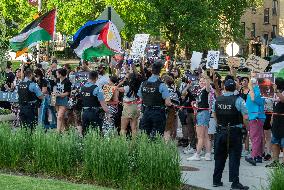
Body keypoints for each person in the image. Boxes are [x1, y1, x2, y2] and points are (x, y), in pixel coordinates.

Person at [212, 79, 249, 190]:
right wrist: (245, 128)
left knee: (219, 156)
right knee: (234, 157)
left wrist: (219, 123)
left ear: (225, 88)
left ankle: (216, 180)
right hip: (234, 132)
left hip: (220, 131)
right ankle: (234, 183)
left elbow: (214, 113)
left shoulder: (217, 100)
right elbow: (245, 117)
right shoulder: (239, 100)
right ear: (235, 89)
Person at [138, 62, 172, 138]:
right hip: (158, 112)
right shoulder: (162, 85)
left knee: (144, 135)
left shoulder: (143, 83)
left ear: (151, 71)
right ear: (159, 72)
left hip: (146, 111)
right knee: (157, 136)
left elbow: (141, 97)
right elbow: (168, 102)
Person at [187, 75, 212, 161]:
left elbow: (208, 85)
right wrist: (194, 103)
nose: (201, 82)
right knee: (205, 135)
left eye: (203, 81)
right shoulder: (200, 91)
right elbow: (199, 102)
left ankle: (197, 154)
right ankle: (208, 154)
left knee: (200, 136)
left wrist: (207, 77)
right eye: (200, 81)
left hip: (203, 113)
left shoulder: (206, 89)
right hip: (201, 112)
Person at [245, 74, 266, 166]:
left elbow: (254, 99)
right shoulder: (255, 90)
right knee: (258, 137)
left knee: (255, 137)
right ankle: (258, 156)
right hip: (254, 116)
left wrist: (251, 87)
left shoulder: (258, 90)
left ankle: (253, 156)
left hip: (256, 117)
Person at [80, 71, 109, 136]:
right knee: (98, 134)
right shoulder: (97, 89)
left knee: (85, 133)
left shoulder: (82, 88)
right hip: (95, 113)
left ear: (88, 77)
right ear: (96, 78)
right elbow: (103, 104)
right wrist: (108, 113)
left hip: (84, 113)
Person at [266, 78, 284, 167]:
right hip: (276, 120)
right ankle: (275, 161)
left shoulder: (281, 92)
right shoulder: (274, 93)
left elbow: (283, 99)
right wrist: (272, 118)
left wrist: (276, 90)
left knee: (283, 142)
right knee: (274, 141)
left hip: (283, 120)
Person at [118, 73, 142, 137]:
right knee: (134, 128)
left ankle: (123, 144)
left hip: (127, 107)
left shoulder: (127, 88)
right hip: (134, 106)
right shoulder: (137, 87)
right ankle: (134, 145)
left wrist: (122, 81)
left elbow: (116, 88)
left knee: (123, 128)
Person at [54, 68, 72, 132]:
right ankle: (64, 130)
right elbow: (55, 89)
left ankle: (58, 132)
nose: (56, 74)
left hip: (64, 100)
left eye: (57, 73)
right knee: (60, 116)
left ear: (60, 74)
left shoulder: (67, 81)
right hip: (57, 100)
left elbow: (68, 93)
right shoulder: (57, 80)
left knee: (59, 117)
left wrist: (59, 94)